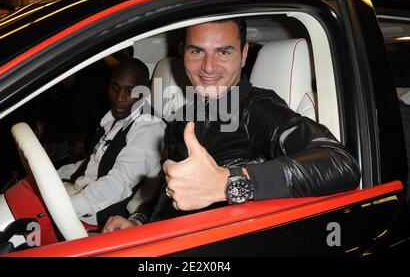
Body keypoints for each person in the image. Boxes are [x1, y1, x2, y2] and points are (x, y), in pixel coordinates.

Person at [102, 18, 360, 232]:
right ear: (183, 53)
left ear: (244, 54)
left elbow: (340, 163)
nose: (208, 66)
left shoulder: (255, 107)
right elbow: (170, 183)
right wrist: (138, 221)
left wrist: (228, 182)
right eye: (197, 51)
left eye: (223, 51)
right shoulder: (185, 115)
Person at [58, 57, 166, 225]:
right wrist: (56, 175)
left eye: (130, 91)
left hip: (99, 217)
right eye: (114, 88)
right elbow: (93, 163)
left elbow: (118, 184)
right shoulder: (114, 119)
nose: (120, 98)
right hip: (78, 194)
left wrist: (64, 209)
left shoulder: (148, 128)